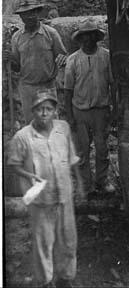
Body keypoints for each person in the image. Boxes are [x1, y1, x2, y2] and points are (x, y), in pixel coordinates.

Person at [7, 89, 84, 288]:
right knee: (44, 242)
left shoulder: (63, 129)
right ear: (33, 111)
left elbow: (73, 159)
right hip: (41, 200)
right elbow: (13, 164)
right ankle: (46, 282)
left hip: (64, 196)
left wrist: (81, 185)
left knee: (68, 239)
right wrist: (29, 175)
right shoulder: (22, 137)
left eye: (48, 109)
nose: (44, 113)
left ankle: (65, 278)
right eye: (40, 109)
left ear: (55, 111)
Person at [64, 19, 117, 196]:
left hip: (100, 110)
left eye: (91, 35)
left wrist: (115, 109)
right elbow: (68, 91)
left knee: (102, 149)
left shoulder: (106, 56)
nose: (88, 39)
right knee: (82, 151)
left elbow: (113, 84)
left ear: (96, 36)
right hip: (80, 112)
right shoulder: (73, 60)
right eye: (84, 36)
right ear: (80, 38)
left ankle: (102, 181)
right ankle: (85, 185)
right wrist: (70, 116)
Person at [8, 0, 67, 123]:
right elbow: (17, 67)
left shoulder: (51, 33)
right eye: (25, 14)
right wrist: (9, 60)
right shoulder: (16, 37)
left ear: (38, 13)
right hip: (27, 88)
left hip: (47, 86)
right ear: (21, 16)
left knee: (50, 125)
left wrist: (63, 60)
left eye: (32, 12)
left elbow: (63, 57)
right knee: (31, 126)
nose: (29, 16)